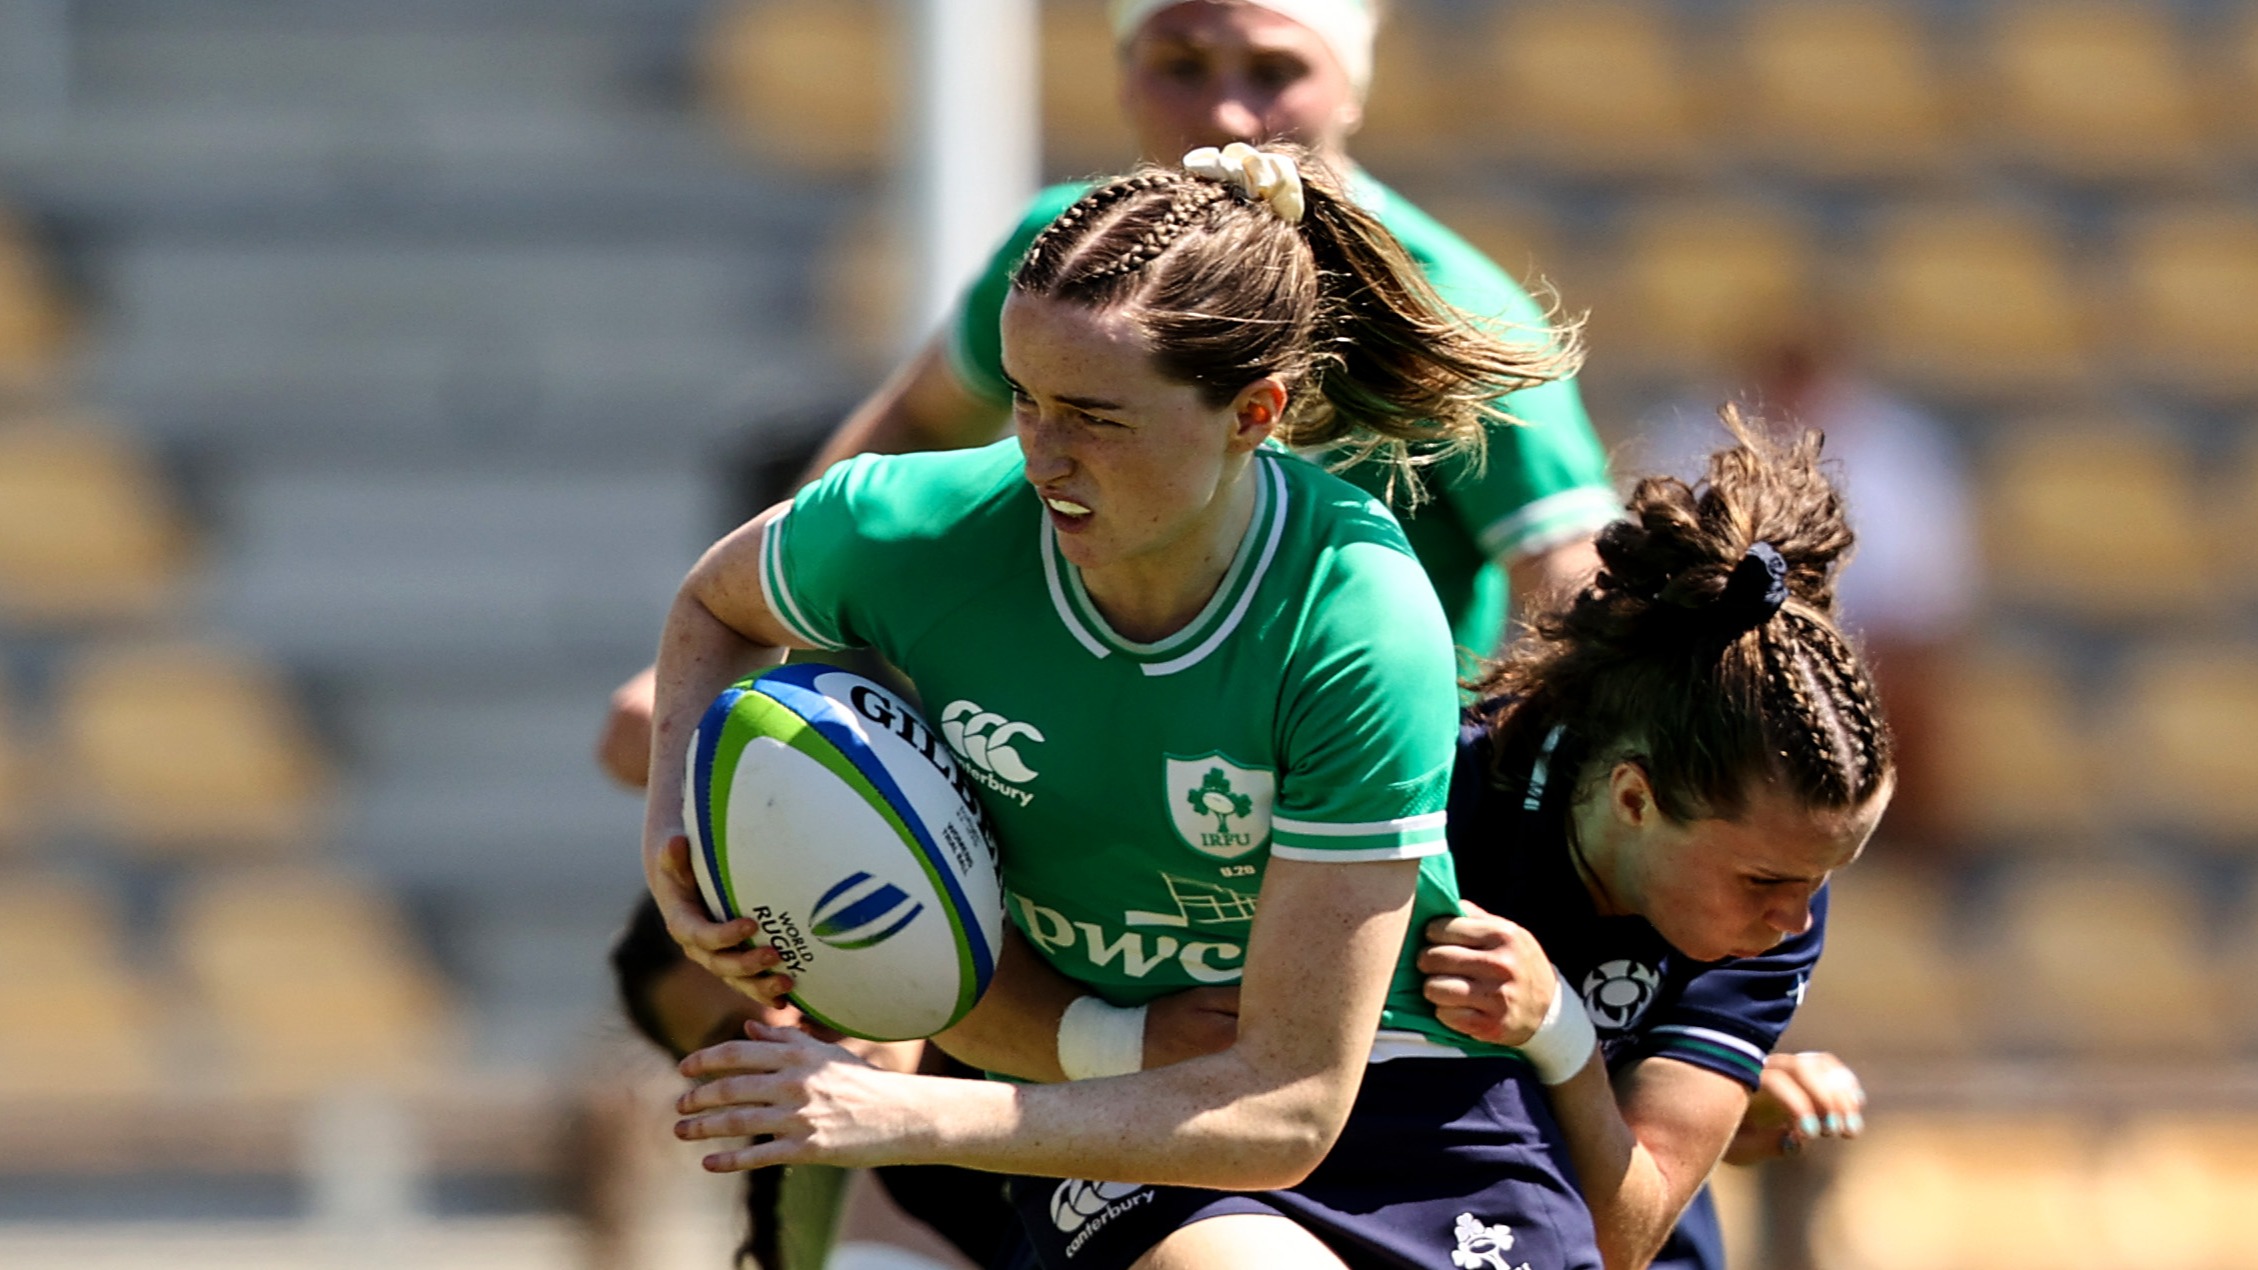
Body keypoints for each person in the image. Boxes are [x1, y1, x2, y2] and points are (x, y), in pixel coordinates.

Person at [646, 147, 1602, 1270]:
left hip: (1410, 1100)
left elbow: (1289, 1103)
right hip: (1132, 1128)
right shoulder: (912, 528)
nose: (1040, 454)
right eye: (1022, 399)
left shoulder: (1354, 612)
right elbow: (715, 602)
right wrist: (679, 826)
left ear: (1255, 412)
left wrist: (896, 1111)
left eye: (1094, 417)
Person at [596, 0, 1617, 788]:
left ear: (1350, 87)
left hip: (1326, 796)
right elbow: (911, 425)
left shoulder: (1449, 305)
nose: (1224, 109)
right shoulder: (1062, 257)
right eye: (1180, 63)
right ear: (1122, 77)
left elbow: (1568, 576)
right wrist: (755, 643)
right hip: (1075, 779)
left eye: (1274, 68)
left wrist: (1505, 799)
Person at [1419, 412, 1891, 1270]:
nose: (1793, 921)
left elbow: (1621, 1236)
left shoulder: (1778, 908)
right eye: (1763, 882)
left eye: (1818, 880)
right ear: (1635, 798)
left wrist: (1558, 1031)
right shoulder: (1435, 807)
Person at [611, 896, 1031, 1270]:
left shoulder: (1031, 958)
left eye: (779, 976)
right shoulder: (915, 1172)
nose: (786, 1027)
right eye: (740, 1039)